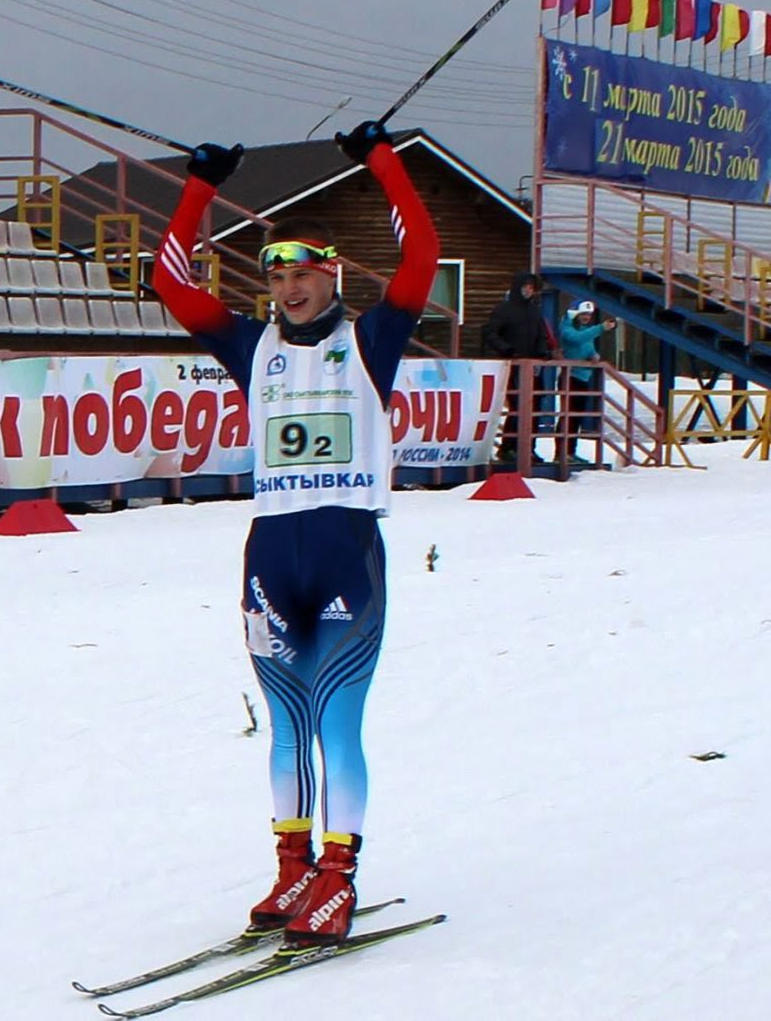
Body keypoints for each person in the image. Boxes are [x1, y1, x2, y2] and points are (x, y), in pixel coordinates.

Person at [152, 120, 438, 948]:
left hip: (347, 552)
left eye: (303, 272)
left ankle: (339, 876)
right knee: (285, 727)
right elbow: (169, 281)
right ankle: (293, 867)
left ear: (330, 273)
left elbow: (422, 252)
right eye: (277, 276)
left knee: (337, 721)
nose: (289, 288)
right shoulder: (251, 346)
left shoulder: (370, 340)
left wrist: (381, 161)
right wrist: (200, 186)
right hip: (272, 555)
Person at [481, 272, 559, 463]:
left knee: (535, 407)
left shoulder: (534, 310)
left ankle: (529, 448)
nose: (528, 290)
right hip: (513, 365)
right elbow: (490, 333)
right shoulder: (504, 309)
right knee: (517, 406)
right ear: (517, 287)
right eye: (525, 286)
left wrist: (542, 352)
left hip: (533, 367)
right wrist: (507, 349)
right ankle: (508, 447)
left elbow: (542, 335)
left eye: (531, 287)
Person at [555, 300, 616, 463]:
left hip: (582, 377)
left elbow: (585, 346)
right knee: (568, 416)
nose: (586, 317)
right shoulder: (567, 327)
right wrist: (600, 328)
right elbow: (576, 339)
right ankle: (561, 452)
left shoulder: (585, 331)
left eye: (589, 315)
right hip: (570, 377)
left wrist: (593, 355)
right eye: (583, 314)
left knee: (576, 418)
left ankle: (570, 451)